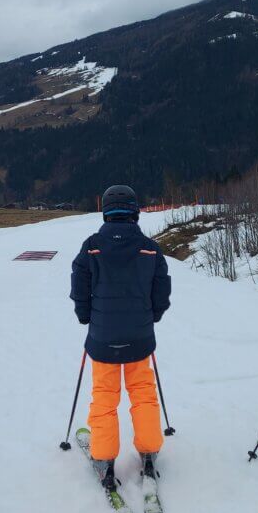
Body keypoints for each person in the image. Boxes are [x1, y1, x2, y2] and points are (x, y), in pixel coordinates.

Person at [70, 184, 171, 490]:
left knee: (104, 397)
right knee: (142, 392)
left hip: (102, 338)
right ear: (135, 212)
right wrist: (151, 317)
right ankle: (150, 447)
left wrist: (86, 317)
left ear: (106, 212)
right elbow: (161, 294)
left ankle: (103, 456)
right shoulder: (150, 248)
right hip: (140, 337)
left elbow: (79, 291)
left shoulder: (90, 247)